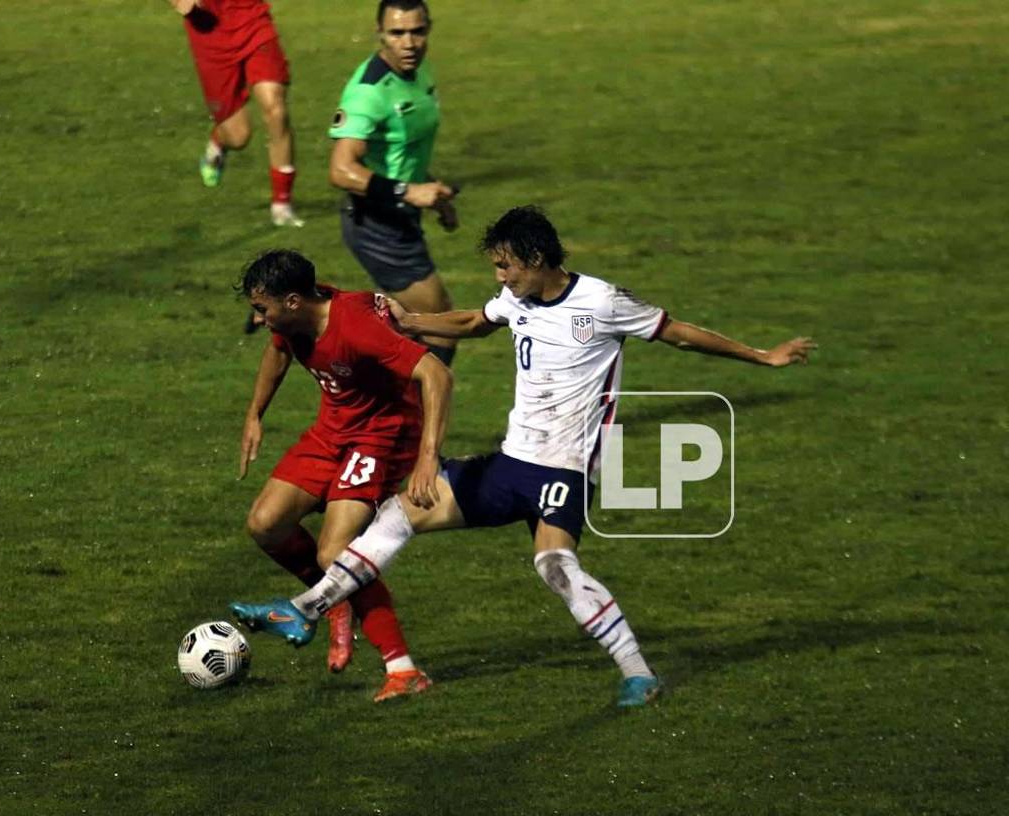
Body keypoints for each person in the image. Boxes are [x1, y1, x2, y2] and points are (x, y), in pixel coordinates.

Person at [231, 206, 818, 708]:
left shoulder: (603, 301)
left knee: (554, 567)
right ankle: (305, 608)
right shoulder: (516, 300)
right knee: (399, 513)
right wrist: (413, 321)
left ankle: (638, 673)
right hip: (512, 462)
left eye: (504, 265)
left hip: (564, 469)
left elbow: (679, 332)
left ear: (536, 260)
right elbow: (472, 322)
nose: (498, 276)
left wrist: (762, 356)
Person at [230, 249, 453, 702]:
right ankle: (333, 602)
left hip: (380, 435)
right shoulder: (293, 322)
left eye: (261, 308)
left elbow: (436, 374)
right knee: (265, 524)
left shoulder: (355, 327)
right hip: (331, 431)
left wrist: (428, 456)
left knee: (335, 550)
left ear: (292, 301)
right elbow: (278, 355)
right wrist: (255, 414)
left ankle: (402, 668)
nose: (258, 319)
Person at [327, 0, 459, 366]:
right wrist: (409, 191)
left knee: (408, 328)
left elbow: (404, 154)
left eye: (417, 31)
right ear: (379, 34)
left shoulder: (418, 71)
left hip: (401, 214)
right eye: (397, 33)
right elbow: (341, 170)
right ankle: (415, 420)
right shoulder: (369, 92)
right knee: (438, 324)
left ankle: (373, 402)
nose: (409, 43)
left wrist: (433, 193)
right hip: (375, 222)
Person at [170, 0, 304, 227]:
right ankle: (218, 140)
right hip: (209, 30)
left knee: (275, 107)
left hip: (251, 17)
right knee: (238, 136)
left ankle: (282, 204)